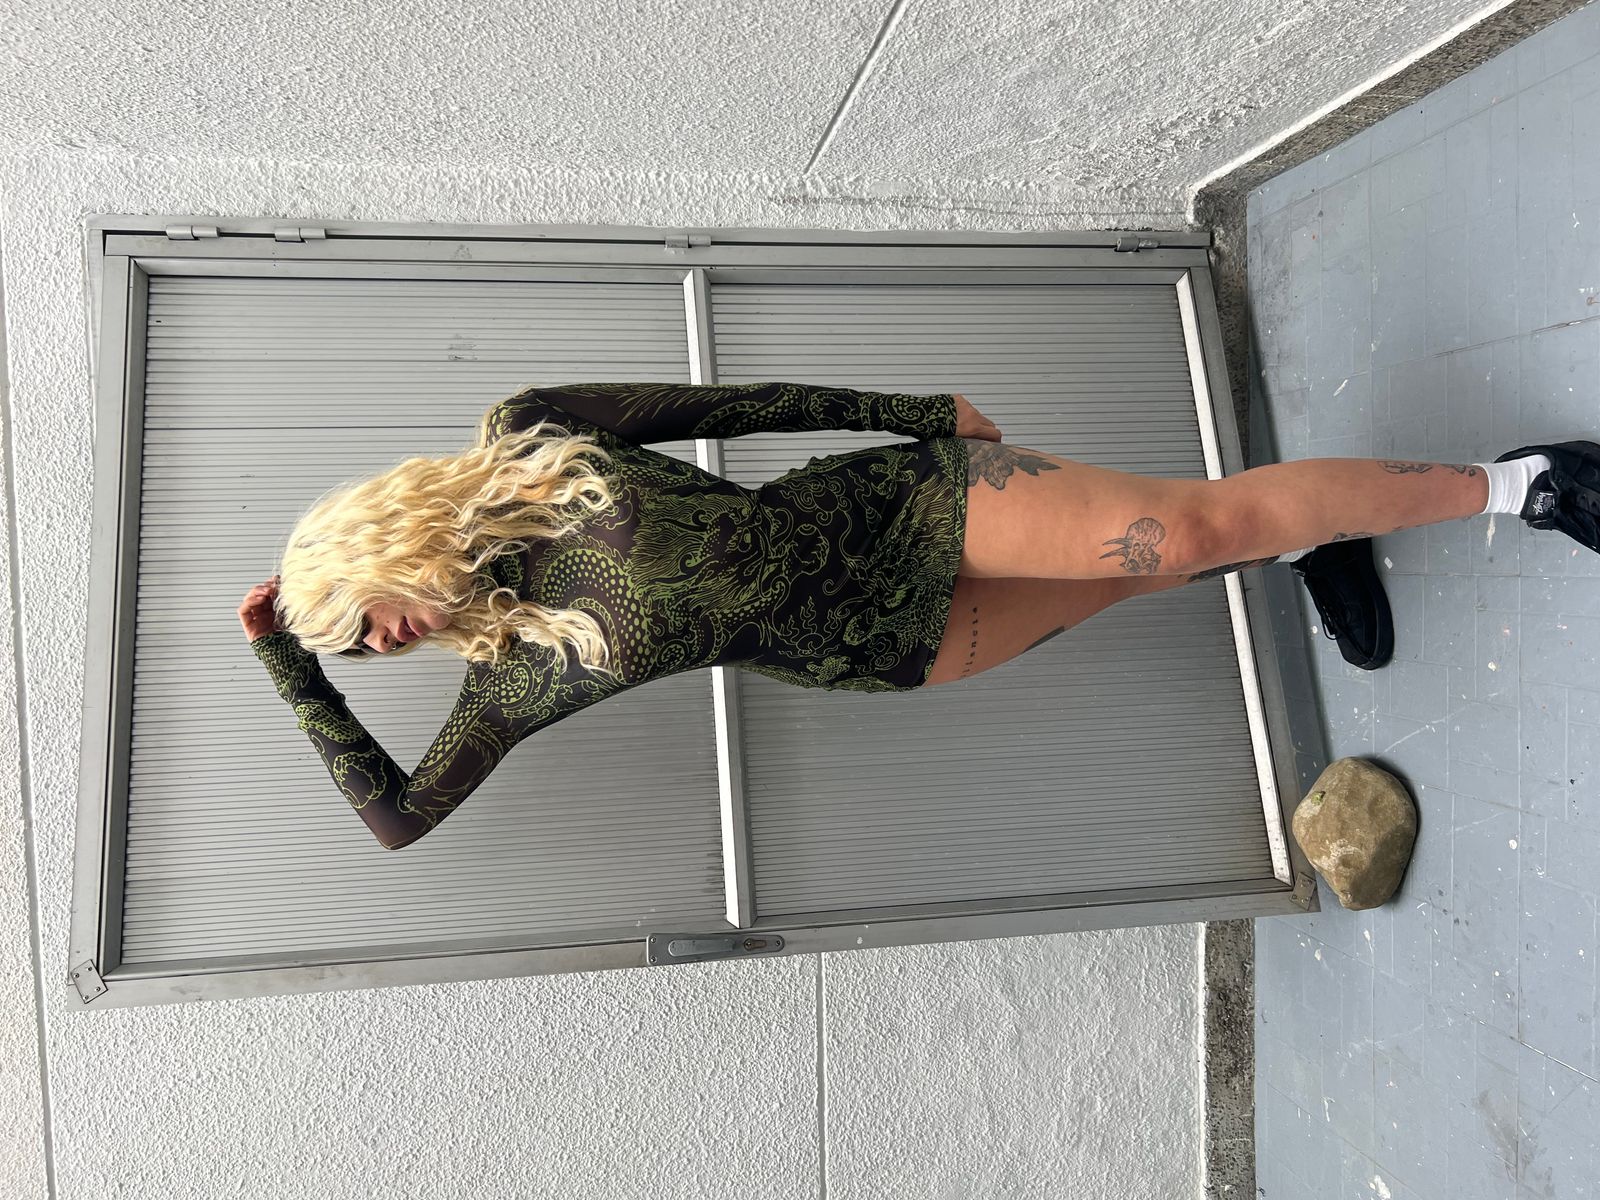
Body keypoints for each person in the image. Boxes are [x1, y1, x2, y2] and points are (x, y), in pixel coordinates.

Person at [236, 380, 1600, 849]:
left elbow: (728, 408)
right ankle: (1317, 539)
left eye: (360, 625)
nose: (383, 650)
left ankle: (1523, 485)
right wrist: (291, 664)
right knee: (1149, 574)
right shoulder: (519, 674)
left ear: (372, 552)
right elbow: (397, 820)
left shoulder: (529, 440)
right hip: (878, 649)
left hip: (896, 514)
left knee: (1185, 527)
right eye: (363, 655)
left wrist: (906, 412)